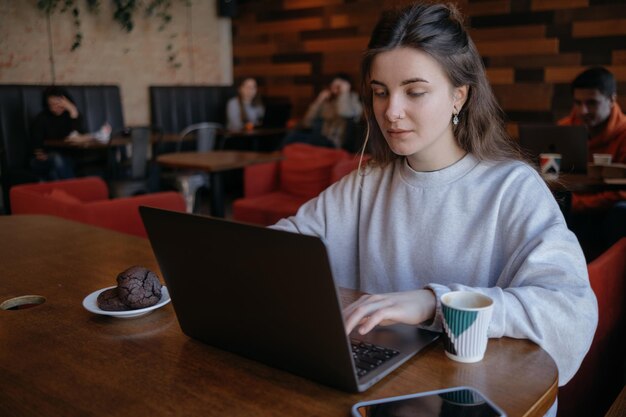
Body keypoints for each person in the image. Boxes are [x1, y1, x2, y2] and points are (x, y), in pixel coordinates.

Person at [270, 3, 597, 415]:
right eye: (380, 91)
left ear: (459, 95)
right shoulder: (366, 183)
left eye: (415, 91)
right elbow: (281, 248)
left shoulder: (511, 187)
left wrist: (434, 303)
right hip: (385, 394)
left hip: (479, 399)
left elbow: (569, 315)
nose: (391, 111)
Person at [558, 67, 626, 255]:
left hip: (610, 209)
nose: (583, 111)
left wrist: (579, 204)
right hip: (574, 204)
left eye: (592, 103)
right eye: (577, 103)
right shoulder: (564, 129)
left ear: (612, 100)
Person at [283, 73, 363, 149]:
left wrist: (344, 93)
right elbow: (307, 123)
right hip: (321, 138)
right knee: (295, 135)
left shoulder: (354, 101)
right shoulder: (327, 103)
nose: (336, 88)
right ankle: (277, 156)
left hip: (336, 143)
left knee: (299, 137)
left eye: (339, 86)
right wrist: (318, 101)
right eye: (333, 85)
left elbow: (343, 113)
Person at [30, 86, 84, 180]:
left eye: (59, 104)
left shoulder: (71, 115)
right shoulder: (42, 118)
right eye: (52, 105)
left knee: (54, 172)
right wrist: (38, 152)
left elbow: (77, 135)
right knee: (57, 159)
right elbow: (36, 143)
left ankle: (62, 193)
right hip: (42, 159)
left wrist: (73, 111)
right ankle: (74, 189)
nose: (56, 108)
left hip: (67, 157)